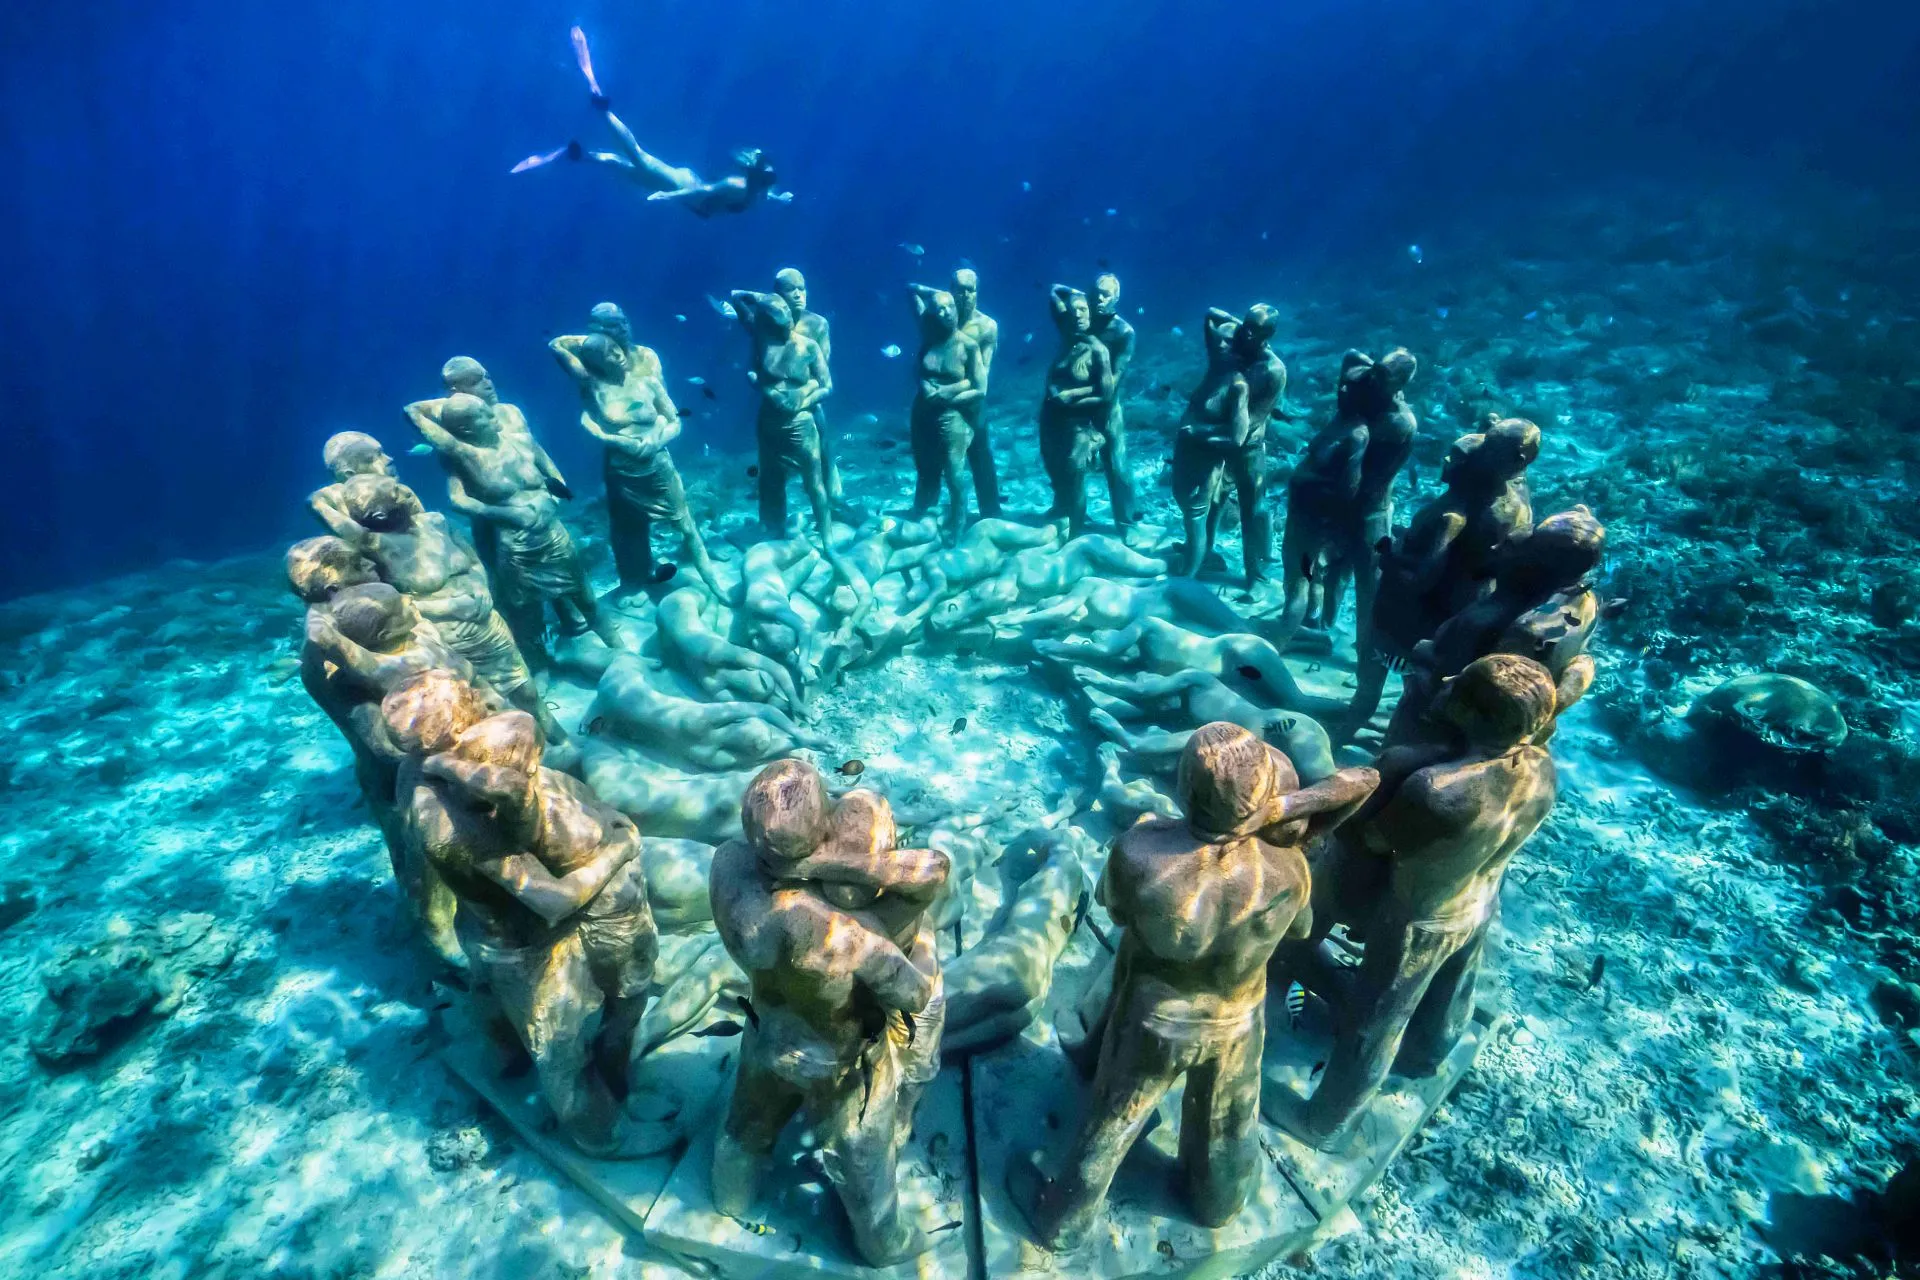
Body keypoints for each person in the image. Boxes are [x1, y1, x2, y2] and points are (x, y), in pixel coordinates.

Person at [1007, 724, 1376, 1246]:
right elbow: (1300, 927)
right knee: (1227, 1122)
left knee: (1115, 1119)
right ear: (1267, 796)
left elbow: (1116, 910)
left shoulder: (1142, 850)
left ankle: (1061, 1221)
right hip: (1239, 1016)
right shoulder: (1288, 868)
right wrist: (1274, 819)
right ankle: (1216, 1202)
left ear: (1184, 788)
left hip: (1158, 1020)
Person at [1264, 655, 1557, 1152]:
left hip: (1421, 917)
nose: (1444, 684)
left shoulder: (1437, 789)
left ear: (1476, 714)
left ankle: (1328, 1122)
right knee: (1450, 993)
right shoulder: (1541, 767)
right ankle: (1429, 1051)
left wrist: (1386, 771)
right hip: (1478, 899)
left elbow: (1374, 840)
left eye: (1457, 687)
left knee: (1374, 1023)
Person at [385, 671, 659, 1158]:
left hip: (481, 930)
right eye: (469, 700)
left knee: (491, 998)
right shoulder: (470, 819)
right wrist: (619, 848)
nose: (478, 700)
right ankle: (598, 1137)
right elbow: (549, 900)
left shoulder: (414, 772)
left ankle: (504, 1060)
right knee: (560, 1051)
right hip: (528, 944)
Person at [709, 761, 950, 1266]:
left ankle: (729, 1202)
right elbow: (913, 995)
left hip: (767, 1033)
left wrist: (798, 866)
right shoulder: (843, 935)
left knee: (746, 1129)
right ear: (820, 834)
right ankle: (885, 1244)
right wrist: (922, 944)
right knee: (862, 1168)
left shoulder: (728, 866)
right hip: (836, 1063)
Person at [311, 474, 571, 748]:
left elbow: (472, 562)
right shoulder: (377, 546)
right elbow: (400, 603)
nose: (405, 492)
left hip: (487, 623)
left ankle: (561, 741)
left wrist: (482, 588)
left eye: (399, 486)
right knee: (486, 703)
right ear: (377, 514)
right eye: (395, 493)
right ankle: (526, 754)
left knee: (525, 689)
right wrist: (452, 606)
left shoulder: (437, 522)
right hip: (451, 638)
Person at [406, 390, 628, 661]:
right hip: (516, 545)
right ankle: (540, 665)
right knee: (525, 610)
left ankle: (619, 648)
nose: (492, 413)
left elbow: (550, 469)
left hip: (553, 535)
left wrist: (556, 497)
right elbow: (413, 413)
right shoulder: (464, 454)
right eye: (482, 415)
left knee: (585, 596)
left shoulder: (520, 440)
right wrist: (507, 514)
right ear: (465, 428)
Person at [512, 27, 791, 218]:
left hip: (684, 187)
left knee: (619, 164)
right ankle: (600, 103)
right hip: (679, 185)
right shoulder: (739, 186)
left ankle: (571, 154)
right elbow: (705, 191)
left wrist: (779, 199)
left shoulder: (756, 190)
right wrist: (666, 197)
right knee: (638, 157)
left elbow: (762, 192)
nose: (768, 179)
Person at [550, 330, 724, 599]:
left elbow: (675, 420)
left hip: (658, 465)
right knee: (627, 528)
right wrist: (614, 440)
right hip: (622, 472)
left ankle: (712, 582)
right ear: (594, 363)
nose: (617, 355)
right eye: (607, 354)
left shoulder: (647, 382)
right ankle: (633, 584)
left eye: (616, 348)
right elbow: (556, 345)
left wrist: (655, 441)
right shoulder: (592, 387)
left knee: (685, 524)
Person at [1268, 349, 1418, 657]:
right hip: (1337, 502)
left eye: (1384, 378)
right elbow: (1350, 356)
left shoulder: (1397, 421)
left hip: (1370, 511)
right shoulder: (1363, 388)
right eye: (1375, 371)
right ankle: (1315, 629)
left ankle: (1365, 656)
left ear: (1401, 384)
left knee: (1366, 587)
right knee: (1322, 571)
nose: (1373, 380)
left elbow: (1354, 468)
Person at [1171, 305, 1287, 588]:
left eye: (1254, 330)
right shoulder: (1236, 347)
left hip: (1247, 449)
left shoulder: (1272, 370)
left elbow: (1253, 423)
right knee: (1213, 502)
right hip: (1218, 443)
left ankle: (1256, 576)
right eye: (1245, 326)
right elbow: (1210, 314)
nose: (1244, 333)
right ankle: (1204, 553)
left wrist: (1201, 433)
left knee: (1252, 509)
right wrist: (1243, 325)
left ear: (1268, 335)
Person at [730, 290, 839, 552]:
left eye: (788, 318)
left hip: (801, 424)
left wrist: (800, 399)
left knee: (814, 481)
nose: (786, 324)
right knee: (770, 479)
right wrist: (770, 392)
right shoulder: (762, 342)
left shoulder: (808, 346)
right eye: (778, 321)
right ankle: (772, 531)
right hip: (769, 422)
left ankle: (827, 537)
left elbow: (827, 386)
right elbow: (754, 374)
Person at [906, 285, 987, 544]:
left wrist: (947, 396)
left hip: (952, 418)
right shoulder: (927, 334)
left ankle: (959, 526)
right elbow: (911, 291)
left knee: (954, 473)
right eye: (939, 309)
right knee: (926, 470)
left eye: (950, 307)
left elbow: (980, 389)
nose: (946, 313)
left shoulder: (969, 346)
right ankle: (921, 520)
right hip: (922, 415)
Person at [1039, 286, 1115, 536]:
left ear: (1091, 314)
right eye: (1073, 311)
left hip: (1079, 423)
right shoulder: (1066, 338)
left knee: (1074, 472)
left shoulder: (1098, 351)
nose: (1079, 315)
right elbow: (1053, 293)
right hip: (1051, 420)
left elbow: (1106, 393)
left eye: (1084, 309)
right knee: (1054, 467)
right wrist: (1072, 291)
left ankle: (1077, 531)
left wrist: (1071, 396)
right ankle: (1061, 511)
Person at [774, 268, 846, 508]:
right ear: (777, 294)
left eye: (801, 288)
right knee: (774, 467)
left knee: (822, 446)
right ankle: (774, 518)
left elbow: (821, 372)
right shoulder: (766, 323)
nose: (797, 294)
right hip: (777, 403)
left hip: (811, 398)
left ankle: (832, 493)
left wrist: (802, 396)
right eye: (789, 289)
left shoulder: (818, 324)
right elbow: (739, 299)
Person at [1088, 273, 1137, 527]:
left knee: (1117, 464)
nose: (1098, 298)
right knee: (1070, 461)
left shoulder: (1123, 332)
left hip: (1107, 407)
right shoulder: (1081, 321)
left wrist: (1097, 402)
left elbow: (1116, 376)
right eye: (1095, 292)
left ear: (1116, 298)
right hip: (1078, 406)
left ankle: (1126, 522)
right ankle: (1071, 512)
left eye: (1105, 294)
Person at [951, 269, 1002, 516]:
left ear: (977, 292)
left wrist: (953, 392)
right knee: (935, 459)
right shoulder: (938, 320)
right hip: (941, 404)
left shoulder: (987, 326)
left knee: (981, 456)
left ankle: (991, 512)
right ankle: (937, 510)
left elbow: (983, 373)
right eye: (959, 289)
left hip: (972, 402)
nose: (964, 295)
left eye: (969, 290)